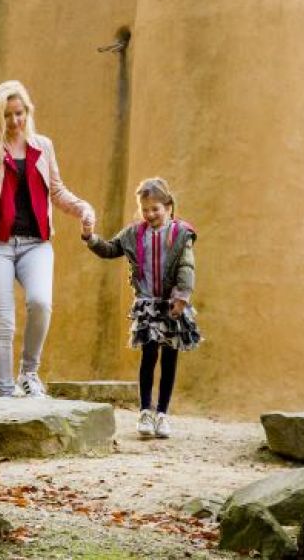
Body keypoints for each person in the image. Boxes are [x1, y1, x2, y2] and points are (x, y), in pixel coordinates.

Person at [0, 80, 95, 398]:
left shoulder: (43, 146)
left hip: (36, 244)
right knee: (3, 322)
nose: (14, 121)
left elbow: (56, 190)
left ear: (28, 112)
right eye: (7, 115)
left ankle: (29, 374)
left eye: (19, 113)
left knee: (41, 303)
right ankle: (4, 393)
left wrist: (82, 208)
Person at [83, 177, 202, 438]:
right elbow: (111, 249)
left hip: (173, 304)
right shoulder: (134, 233)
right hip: (148, 304)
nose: (150, 214)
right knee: (149, 357)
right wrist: (90, 237)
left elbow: (186, 266)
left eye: (155, 209)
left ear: (168, 207)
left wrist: (181, 297)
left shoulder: (181, 234)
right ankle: (145, 412)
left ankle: (162, 414)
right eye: (145, 209)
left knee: (170, 359)